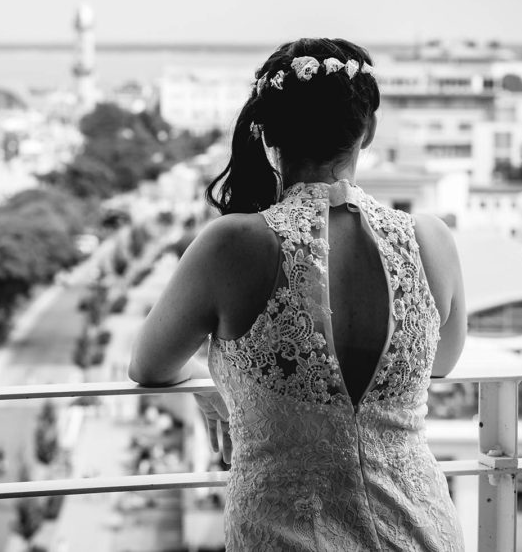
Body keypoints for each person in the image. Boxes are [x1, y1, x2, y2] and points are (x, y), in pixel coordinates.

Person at [129, 38, 467, 550]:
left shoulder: (233, 244)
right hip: (421, 531)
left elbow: (149, 365)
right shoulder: (430, 240)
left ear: (266, 136)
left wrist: (210, 382)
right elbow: (439, 363)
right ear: (368, 131)